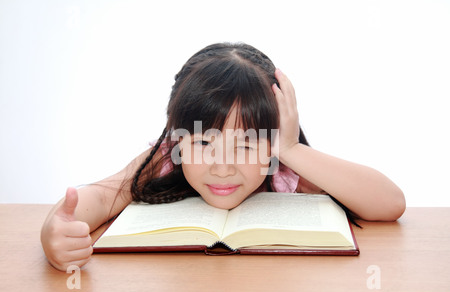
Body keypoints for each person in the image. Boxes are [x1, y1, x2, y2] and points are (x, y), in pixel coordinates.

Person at [41, 43, 406, 271]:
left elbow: (390, 204)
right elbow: (105, 195)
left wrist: (292, 150)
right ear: (178, 138)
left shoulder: (285, 165)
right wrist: (53, 233)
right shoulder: (168, 156)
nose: (222, 166)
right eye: (202, 143)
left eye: (246, 145)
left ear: (272, 141)